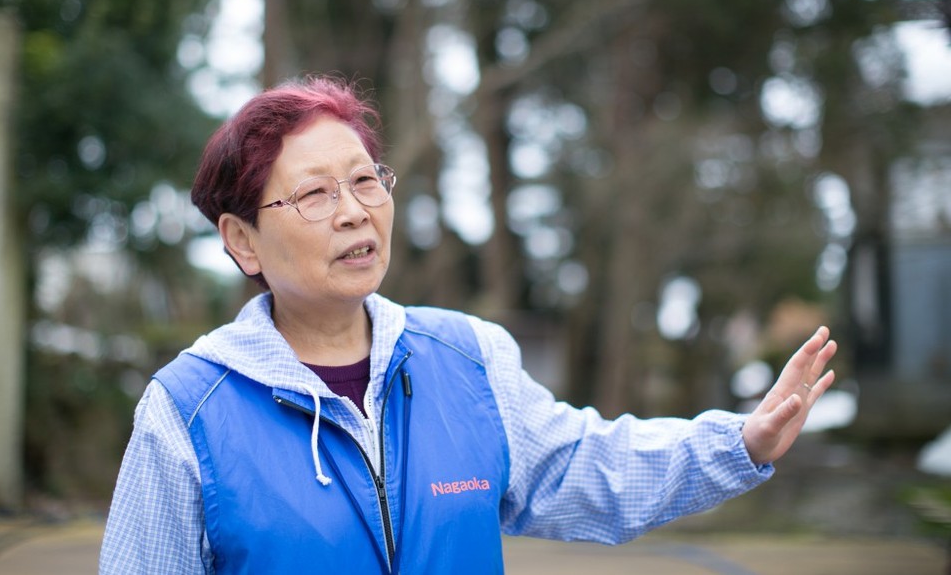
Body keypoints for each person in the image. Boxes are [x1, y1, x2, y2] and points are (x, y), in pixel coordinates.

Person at [99, 75, 837, 574]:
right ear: (242, 239)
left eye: (364, 180)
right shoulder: (187, 410)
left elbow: (587, 465)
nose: (355, 210)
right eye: (316, 194)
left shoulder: (467, 357)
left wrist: (738, 442)